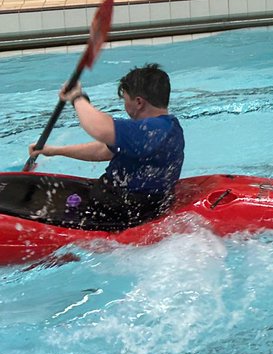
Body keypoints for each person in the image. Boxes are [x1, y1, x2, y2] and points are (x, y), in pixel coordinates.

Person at [28, 63, 184, 231]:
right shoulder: (167, 128)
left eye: (125, 100)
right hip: (138, 205)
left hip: (118, 210)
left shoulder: (150, 130)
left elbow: (99, 128)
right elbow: (103, 150)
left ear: (139, 102)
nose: (125, 106)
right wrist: (54, 151)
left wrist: (77, 97)